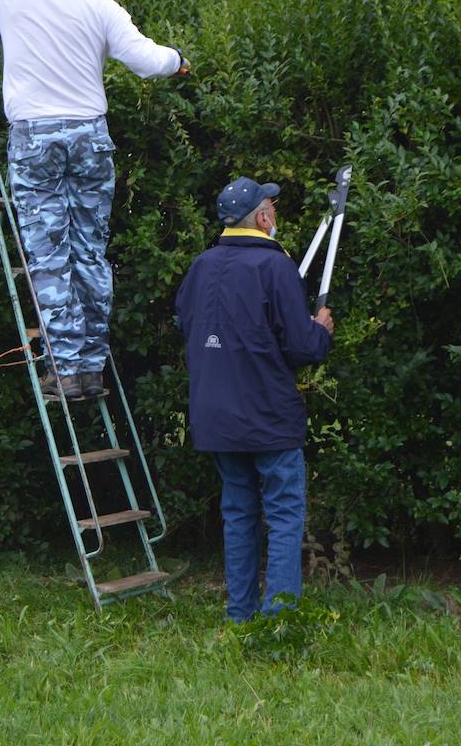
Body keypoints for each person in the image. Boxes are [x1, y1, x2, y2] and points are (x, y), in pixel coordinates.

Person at [0, 0, 189, 401]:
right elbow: (147, 61)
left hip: (36, 140)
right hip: (89, 137)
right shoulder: (99, 4)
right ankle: (89, 370)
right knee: (89, 251)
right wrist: (178, 59)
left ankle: (63, 372)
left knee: (47, 253)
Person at [174, 177, 335, 623]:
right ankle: (279, 621)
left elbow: (186, 324)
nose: (275, 215)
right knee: (283, 516)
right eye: (273, 207)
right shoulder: (276, 266)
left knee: (238, 514)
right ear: (263, 218)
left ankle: (241, 617)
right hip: (268, 416)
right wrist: (319, 329)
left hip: (217, 418)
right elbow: (303, 349)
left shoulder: (201, 266)